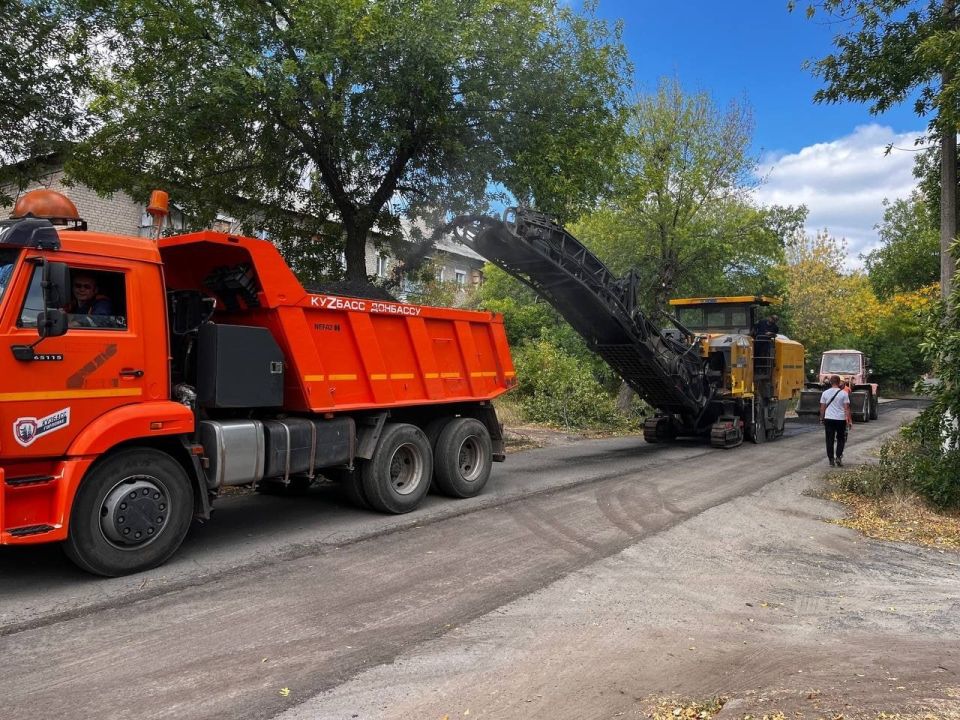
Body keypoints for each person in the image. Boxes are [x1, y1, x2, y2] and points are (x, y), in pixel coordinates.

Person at [819, 374, 852, 467]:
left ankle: (831, 460)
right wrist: (849, 420)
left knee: (829, 439)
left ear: (830, 382)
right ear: (839, 383)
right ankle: (838, 456)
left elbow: (822, 408)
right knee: (841, 439)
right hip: (840, 419)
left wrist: (821, 418)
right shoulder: (844, 393)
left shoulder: (825, 393)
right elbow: (847, 408)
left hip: (829, 419)